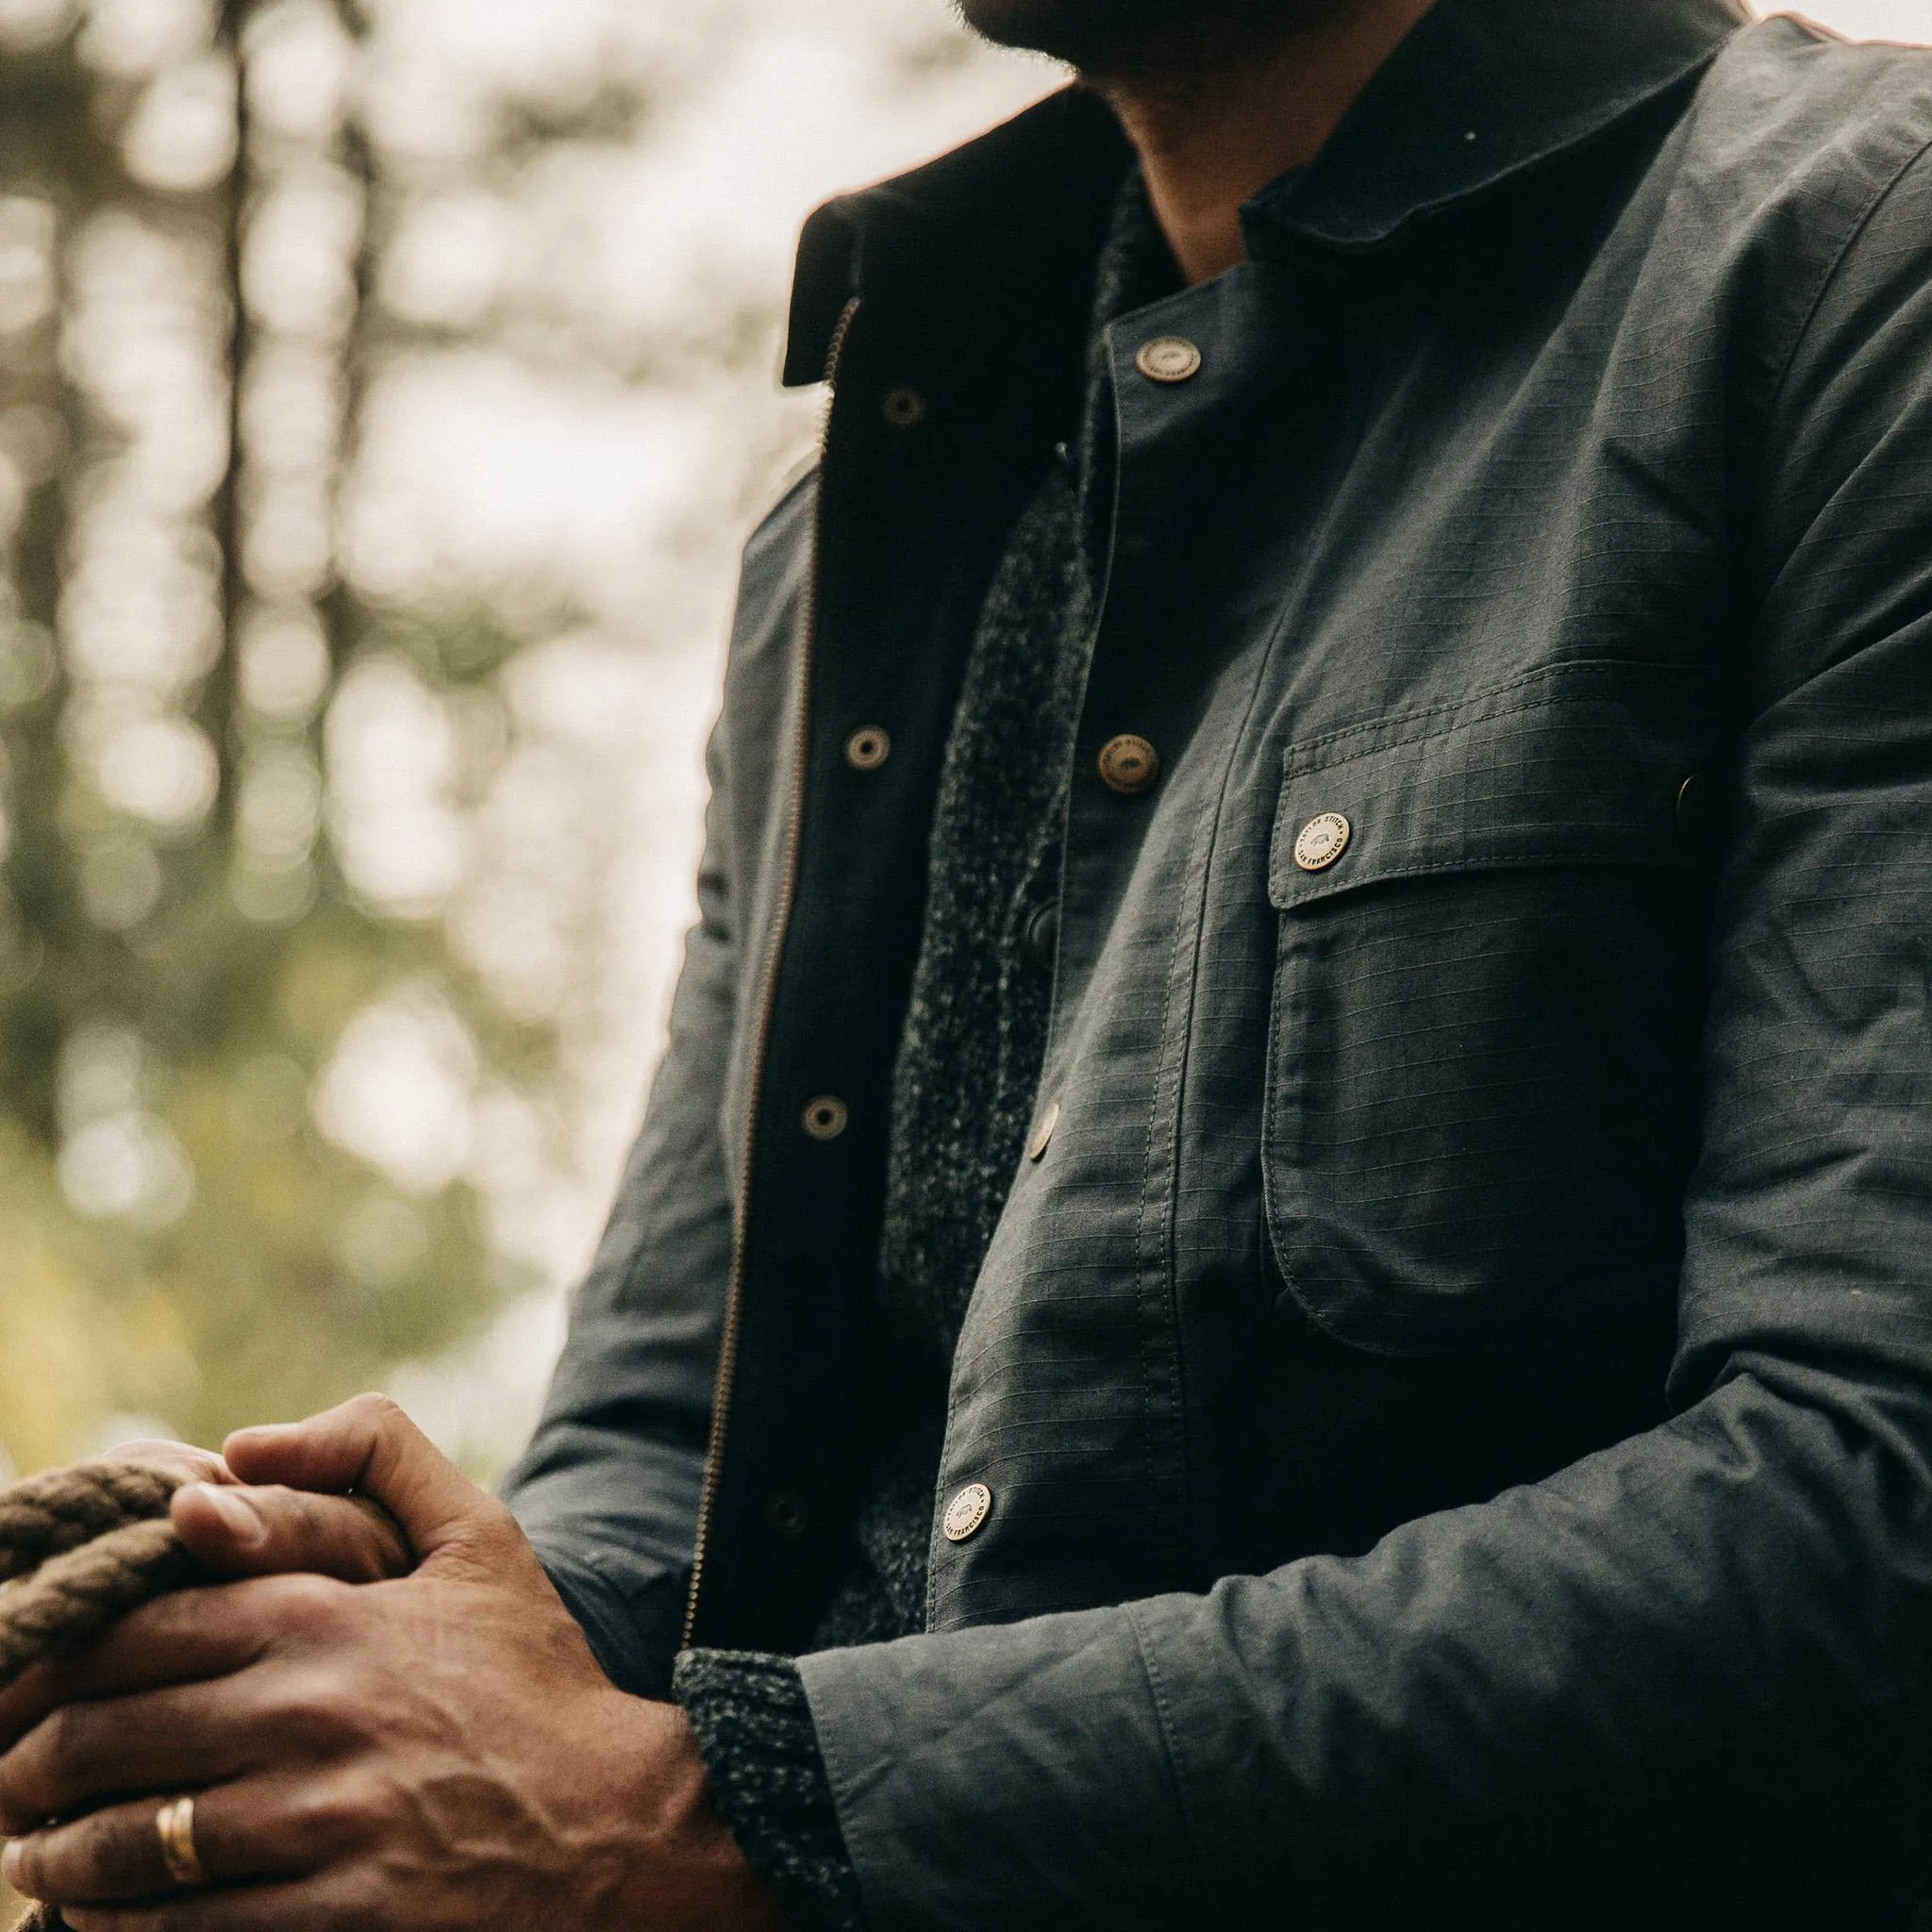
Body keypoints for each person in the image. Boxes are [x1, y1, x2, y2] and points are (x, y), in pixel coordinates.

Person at [5, 0, 1932, 1923]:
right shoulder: (869, 495)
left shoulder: (1852, 265)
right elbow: (672, 1456)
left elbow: (1867, 1505)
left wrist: (720, 1814)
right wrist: (319, 1634)